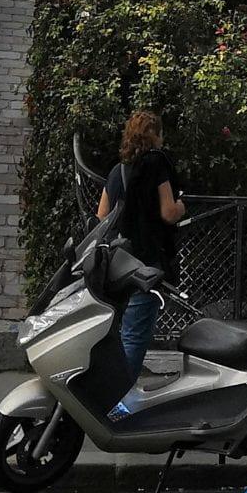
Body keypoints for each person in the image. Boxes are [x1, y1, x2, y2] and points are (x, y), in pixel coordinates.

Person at [97, 110, 186, 388]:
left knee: (119, 333)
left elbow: (101, 216)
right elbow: (169, 212)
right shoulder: (157, 164)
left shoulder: (117, 170)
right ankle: (117, 396)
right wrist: (184, 205)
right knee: (135, 336)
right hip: (145, 263)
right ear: (156, 135)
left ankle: (110, 389)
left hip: (117, 264)